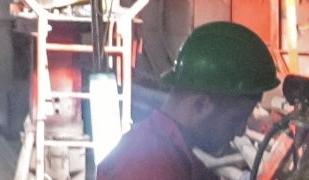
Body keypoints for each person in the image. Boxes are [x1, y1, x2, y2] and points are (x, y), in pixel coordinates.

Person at [98, 21, 279, 180]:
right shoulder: (152, 167)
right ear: (200, 105)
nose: (240, 132)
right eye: (236, 119)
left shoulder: (172, 151)